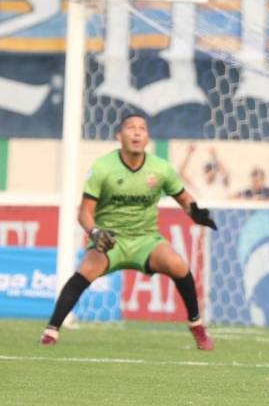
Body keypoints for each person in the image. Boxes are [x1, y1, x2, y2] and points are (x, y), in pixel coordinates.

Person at [40, 113, 218, 350]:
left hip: (146, 240)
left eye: (142, 128)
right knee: (84, 272)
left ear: (147, 137)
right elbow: (84, 213)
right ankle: (51, 331)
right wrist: (94, 233)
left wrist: (197, 214)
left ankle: (196, 326)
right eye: (130, 127)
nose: (136, 132)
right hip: (110, 240)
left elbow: (185, 200)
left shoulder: (161, 168)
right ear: (119, 136)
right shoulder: (103, 168)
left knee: (178, 265)